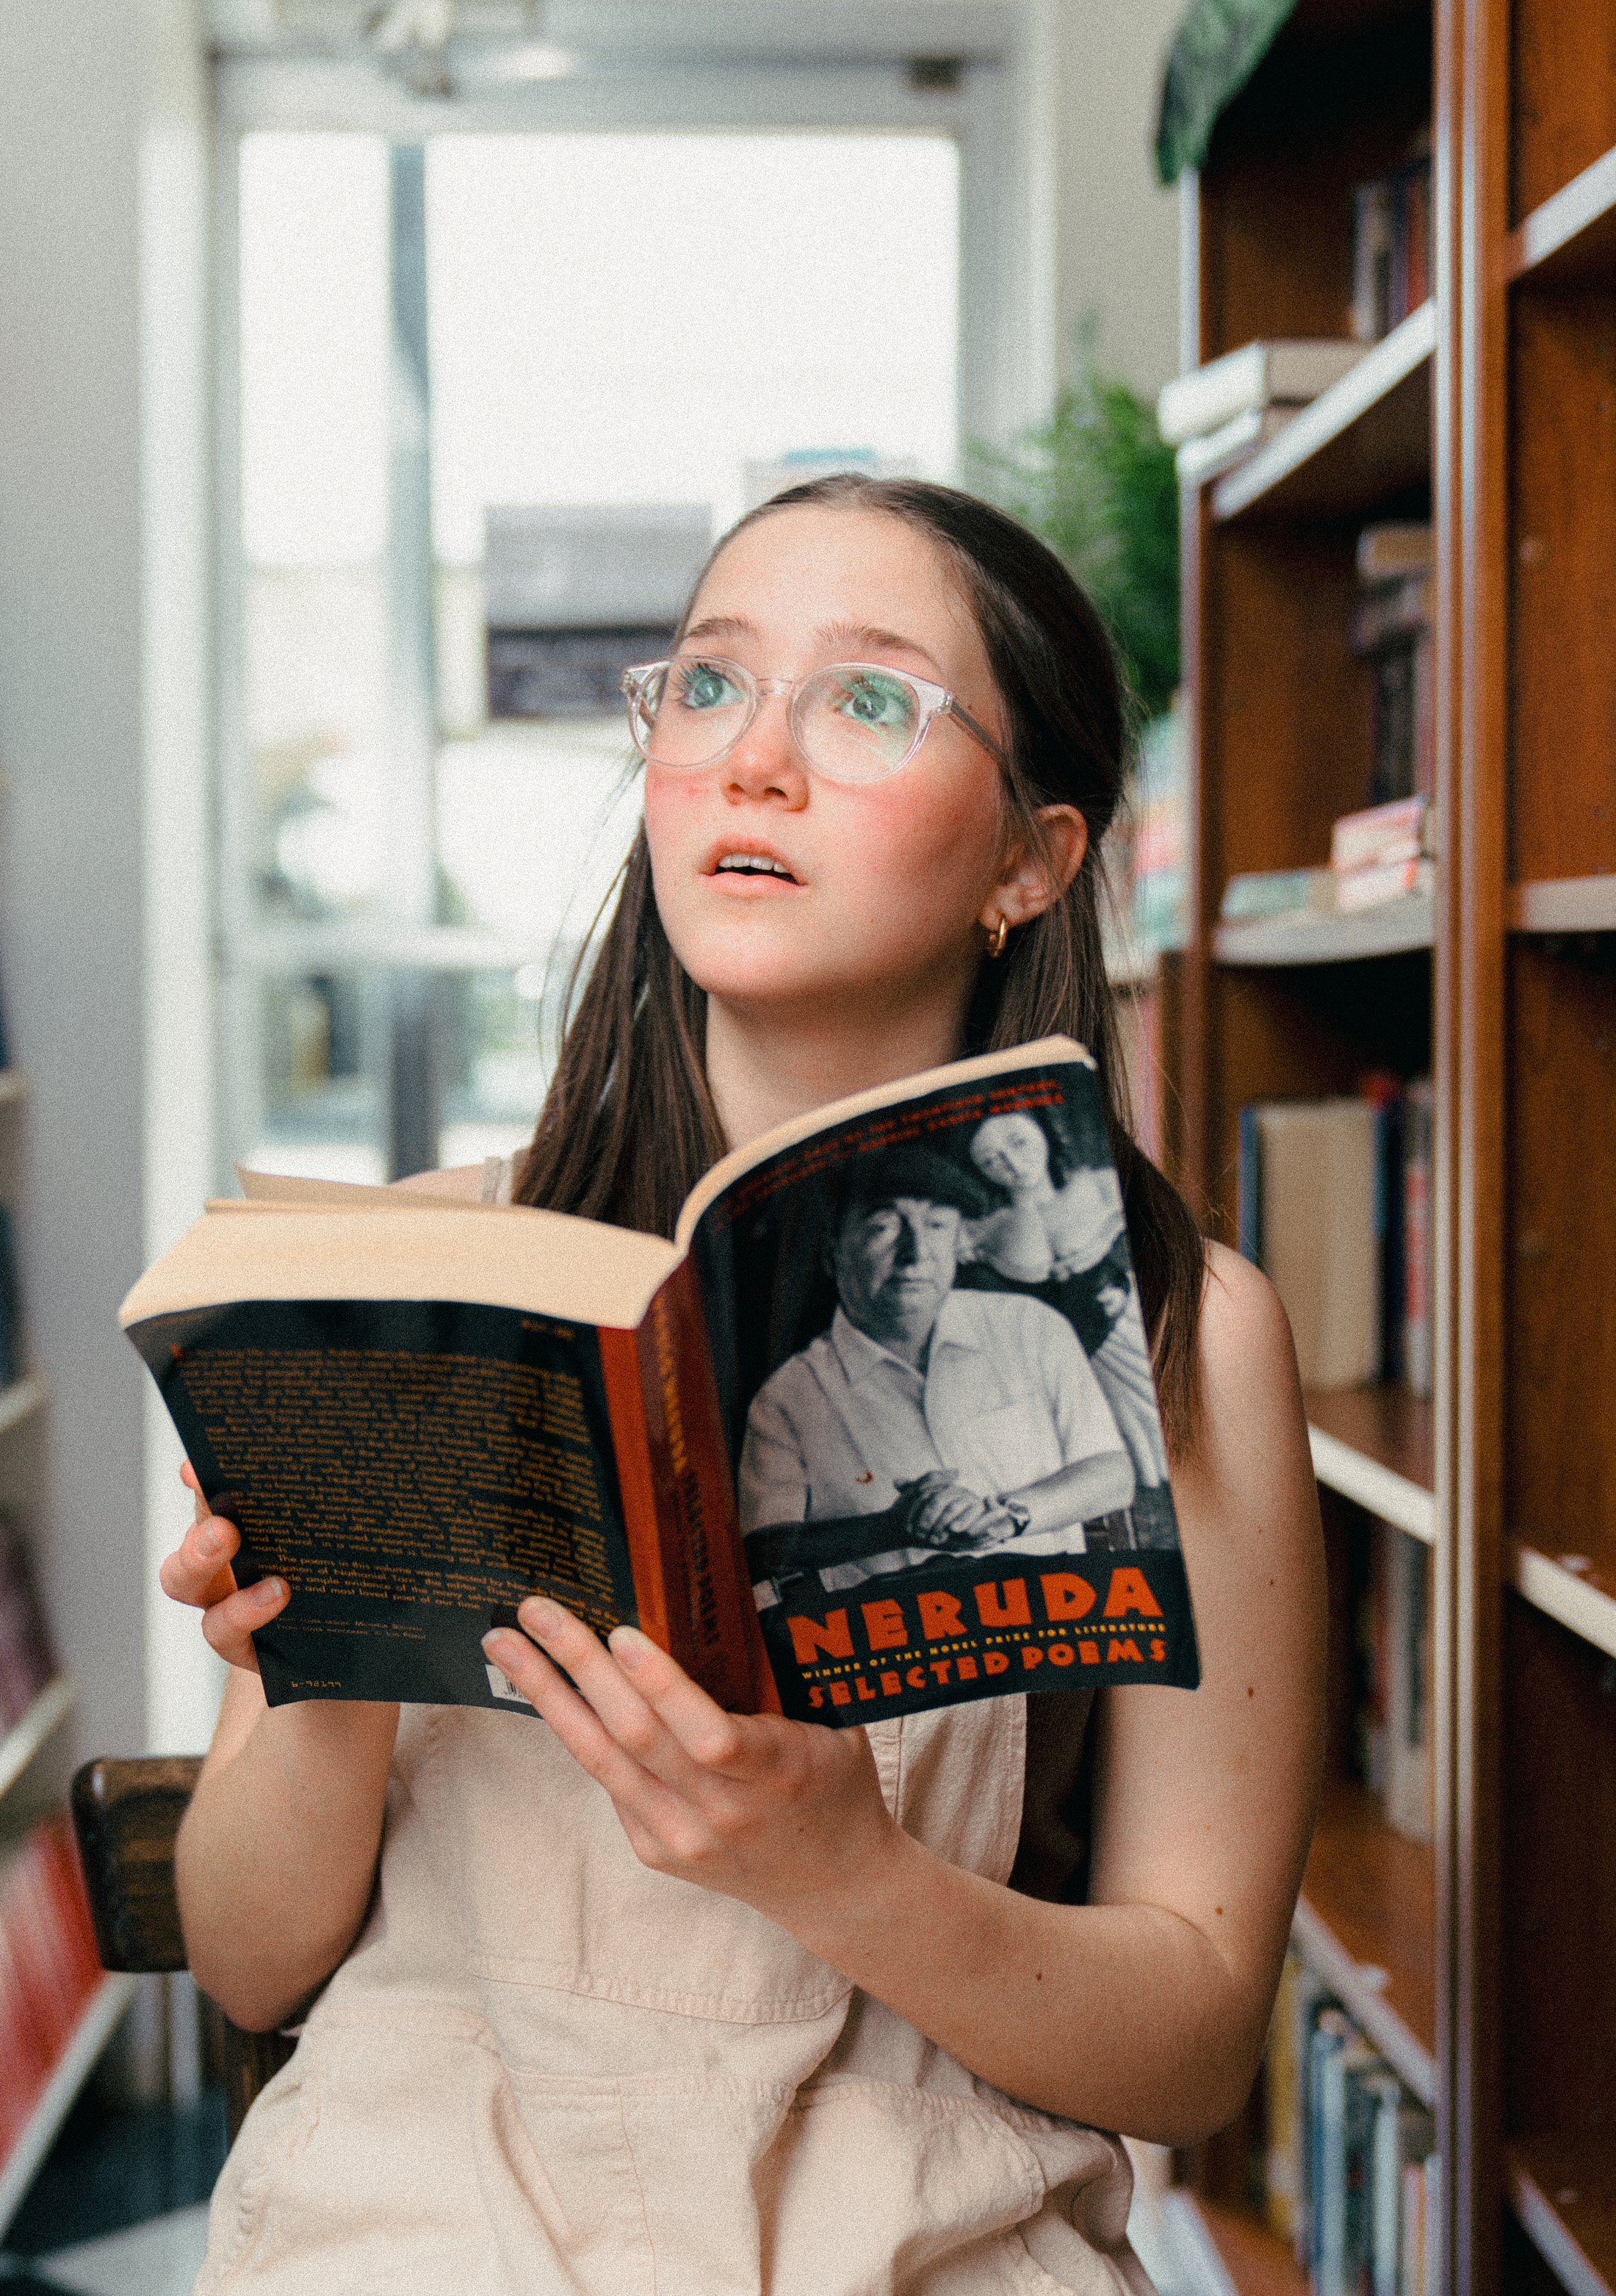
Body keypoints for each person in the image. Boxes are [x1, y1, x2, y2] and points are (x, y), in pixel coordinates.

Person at [159, 476, 1325, 2296]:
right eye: (707, 685)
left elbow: (1189, 2041)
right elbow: (244, 1961)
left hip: (921, 2233)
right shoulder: (424, 1265)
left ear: (1034, 857)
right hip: (419, 2220)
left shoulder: (1179, 1326)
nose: (752, 759)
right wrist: (312, 1664)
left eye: (869, 700)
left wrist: (842, 1869)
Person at [737, 1142, 1134, 1594]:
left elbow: (1112, 1473)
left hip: (1051, 1625)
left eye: (937, 1225)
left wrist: (1007, 1517)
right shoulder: (788, 1395)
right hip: (897, 1649)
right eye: (883, 1227)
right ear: (834, 1254)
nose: (916, 1253)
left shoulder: (1030, 1326)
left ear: (958, 1243)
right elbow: (761, 1549)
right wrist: (893, 1528)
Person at [962, 1109, 1170, 1489]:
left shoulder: (1100, 1186)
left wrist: (1125, 1286)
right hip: (1067, 1351)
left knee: (1166, 1418)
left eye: (1019, 1142)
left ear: (1044, 1130)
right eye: (991, 1161)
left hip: (1127, 1326)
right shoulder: (986, 1229)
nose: (1011, 1163)